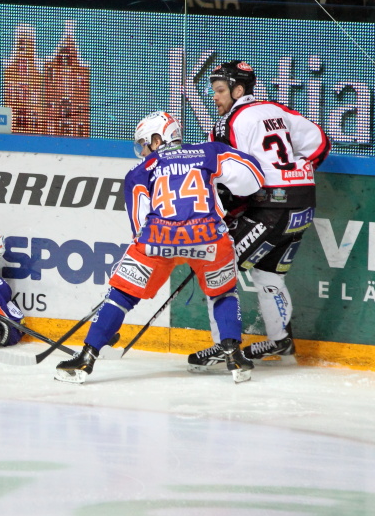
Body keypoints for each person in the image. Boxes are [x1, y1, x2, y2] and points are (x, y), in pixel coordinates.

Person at [54, 111, 265, 385]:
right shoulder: (208, 151)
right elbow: (253, 178)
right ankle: (235, 357)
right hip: (209, 236)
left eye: (144, 143)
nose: (143, 150)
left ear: (157, 139)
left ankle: (85, 358)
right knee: (224, 293)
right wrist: (219, 191)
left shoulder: (140, 171)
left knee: (122, 295)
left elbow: (139, 223)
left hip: (159, 239)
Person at [188, 61, 331, 367]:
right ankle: (280, 340)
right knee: (268, 275)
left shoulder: (227, 124)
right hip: (303, 202)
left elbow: (234, 183)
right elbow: (320, 141)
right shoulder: (277, 109)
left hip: (270, 208)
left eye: (220, 90)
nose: (215, 97)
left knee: (217, 268)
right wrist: (297, 173)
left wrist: (225, 213)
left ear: (239, 90)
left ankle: (224, 345)